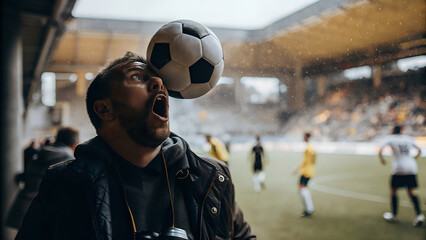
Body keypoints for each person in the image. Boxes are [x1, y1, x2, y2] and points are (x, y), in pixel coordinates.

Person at [16, 52, 255, 240]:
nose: (159, 83)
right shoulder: (64, 185)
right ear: (104, 109)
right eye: (137, 77)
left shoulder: (212, 177)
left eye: (157, 79)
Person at [7, 127, 79, 229]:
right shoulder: (69, 160)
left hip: (25, 206)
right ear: (74, 144)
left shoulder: (38, 155)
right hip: (47, 213)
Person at [378, 125, 424, 227]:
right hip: (411, 167)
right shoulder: (408, 138)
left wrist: (382, 159)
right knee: (411, 191)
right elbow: (420, 151)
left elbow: (380, 148)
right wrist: (413, 159)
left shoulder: (391, 138)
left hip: (399, 168)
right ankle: (419, 215)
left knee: (393, 190)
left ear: (393, 130)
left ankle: (394, 215)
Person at [293, 132, 316, 217]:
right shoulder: (311, 147)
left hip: (306, 172)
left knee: (302, 189)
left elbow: (305, 162)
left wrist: (298, 169)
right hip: (309, 171)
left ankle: (309, 209)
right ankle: (309, 208)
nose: (303, 138)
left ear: (307, 137)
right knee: (302, 189)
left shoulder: (309, 149)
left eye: (304, 136)